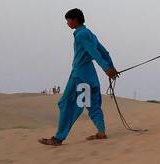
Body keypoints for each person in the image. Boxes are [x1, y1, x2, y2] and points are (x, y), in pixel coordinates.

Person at [39, 8, 119, 146]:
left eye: (68, 20)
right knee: (92, 104)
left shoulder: (81, 35)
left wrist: (107, 69)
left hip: (79, 76)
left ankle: (58, 138)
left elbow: (95, 53)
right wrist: (111, 68)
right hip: (91, 77)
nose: (67, 23)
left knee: (66, 104)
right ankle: (101, 132)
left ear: (75, 20)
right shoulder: (90, 34)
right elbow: (104, 52)